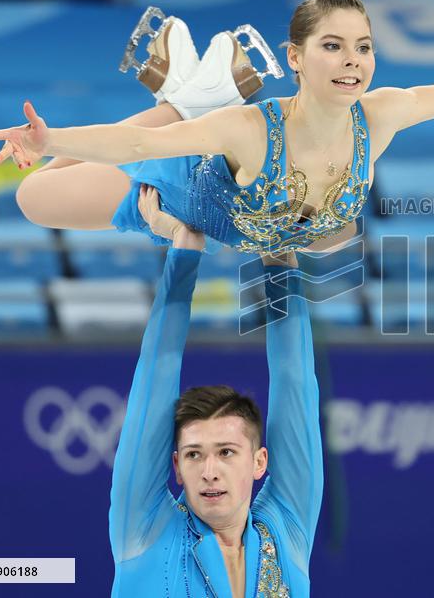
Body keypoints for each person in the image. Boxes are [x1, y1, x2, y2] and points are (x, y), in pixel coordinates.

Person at [0, 0, 434, 255]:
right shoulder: (251, 130)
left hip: (269, 228)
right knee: (34, 198)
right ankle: (188, 99)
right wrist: (49, 139)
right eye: (333, 46)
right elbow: (135, 144)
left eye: (363, 47)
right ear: (294, 57)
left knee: (329, 244)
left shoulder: (379, 117)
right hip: (180, 187)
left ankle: (194, 99)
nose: (353, 62)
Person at [110, 183, 321, 596]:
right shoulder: (146, 531)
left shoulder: (287, 532)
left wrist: (277, 253)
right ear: (176, 466)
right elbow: (154, 377)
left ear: (259, 461)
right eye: (194, 455)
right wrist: (184, 251)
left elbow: (295, 382)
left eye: (226, 452)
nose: (209, 472)